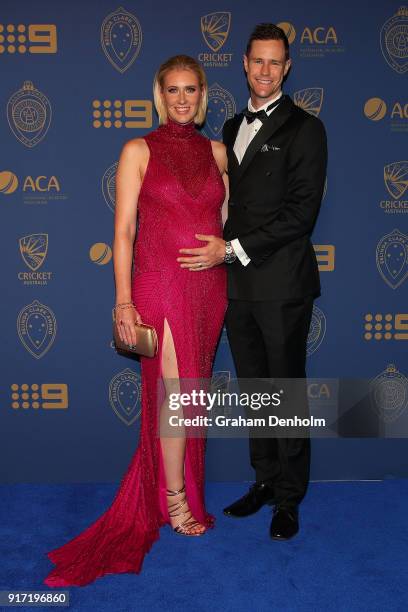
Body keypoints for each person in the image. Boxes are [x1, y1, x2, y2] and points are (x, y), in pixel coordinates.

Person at [43, 55, 228, 587]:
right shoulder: (137, 150)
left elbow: (233, 225)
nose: (183, 99)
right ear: (160, 94)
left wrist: (225, 252)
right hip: (159, 285)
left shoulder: (219, 153)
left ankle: (178, 491)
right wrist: (124, 301)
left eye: (191, 89)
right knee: (174, 391)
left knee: (191, 393)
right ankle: (174, 502)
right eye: (173, 90)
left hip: (208, 290)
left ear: (203, 94)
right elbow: (123, 232)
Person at [178, 23, 327, 540]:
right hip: (235, 286)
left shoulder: (305, 129)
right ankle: (264, 480)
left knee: (285, 393)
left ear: (286, 68)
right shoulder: (228, 126)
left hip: (282, 284)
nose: (265, 71)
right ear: (244, 63)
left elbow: (300, 214)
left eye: (275, 63)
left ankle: (289, 499)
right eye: (257, 61)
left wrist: (232, 249)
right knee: (255, 392)